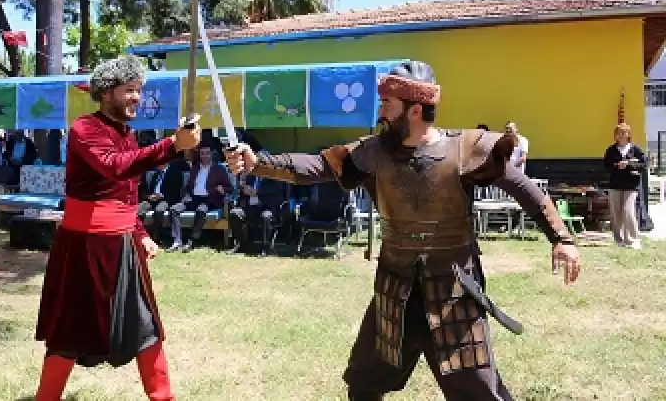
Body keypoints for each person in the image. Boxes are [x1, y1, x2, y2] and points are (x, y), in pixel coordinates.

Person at [225, 60, 581, 401]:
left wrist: (561, 239)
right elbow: (318, 165)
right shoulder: (374, 151)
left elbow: (523, 187)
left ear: (414, 109)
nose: (381, 112)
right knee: (364, 382)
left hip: (453, 290)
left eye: (387, 104)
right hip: (395, 289)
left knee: (478, 391)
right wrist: (259, 163)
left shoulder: (465, 150)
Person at [33, 55, 201, 401]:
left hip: (122, 245)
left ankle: (163, 397)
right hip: (84, 247)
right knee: (70, 333)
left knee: (146, 327)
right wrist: (172, 145)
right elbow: (114, 167)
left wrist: (139, 232)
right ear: (106, 93)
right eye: (129, 90)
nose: (137, 97)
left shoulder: (127, 135)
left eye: (139, 90)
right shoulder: (84, 128)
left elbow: (125, 192)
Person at [603, 123, 646, 250]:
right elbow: (606, 166)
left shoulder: (636, 149)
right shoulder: (611, 150)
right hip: (615, 185)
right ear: (615, 136)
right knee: (616, 213)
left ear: (628, 134)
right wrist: (617, 165)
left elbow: (643, 165)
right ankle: (619, 239)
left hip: (631, 185)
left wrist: (629, 165)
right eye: (618, 133)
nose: (621, 135)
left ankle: (634, 239)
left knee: (628, 211)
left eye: (623, 133)